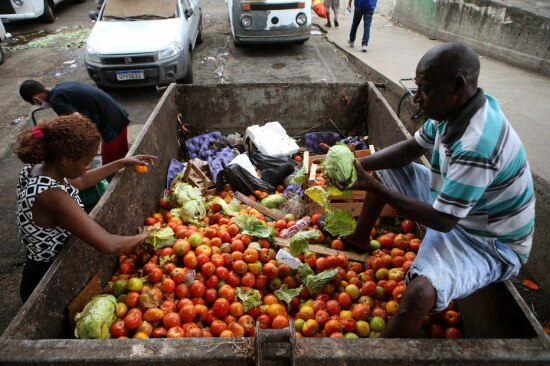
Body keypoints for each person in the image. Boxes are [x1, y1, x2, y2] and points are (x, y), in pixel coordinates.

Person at [341, 42, 535, 337]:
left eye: (426, 89)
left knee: (418, 294)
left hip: (489, 240)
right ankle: (359, 239)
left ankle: (384, 354)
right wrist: (361, 166)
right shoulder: (454, 112)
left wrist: (373, 186)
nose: (417, 98)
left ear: (457, 85)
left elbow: (443, 221)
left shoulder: (477, 144)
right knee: (385, 170)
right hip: (460, 207)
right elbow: (411, 148)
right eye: (418, 87)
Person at [14, 114, 157, 302]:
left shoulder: (43, 166)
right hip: (47, 280)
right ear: (65, 159)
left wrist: (122, 162)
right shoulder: (53, 197)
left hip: (42, 265)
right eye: (86, 162)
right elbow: (109, 244)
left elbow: (81, 180)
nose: (88, 166)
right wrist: (142, 236)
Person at [19, 80, 130, 165]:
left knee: (110, 164)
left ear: (35, 99)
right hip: (117, 113)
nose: (36, 105)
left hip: (109, 123)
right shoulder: (61, 87)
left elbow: (78, 121)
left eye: (33, 103)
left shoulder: (56, 100)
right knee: (123, 153)